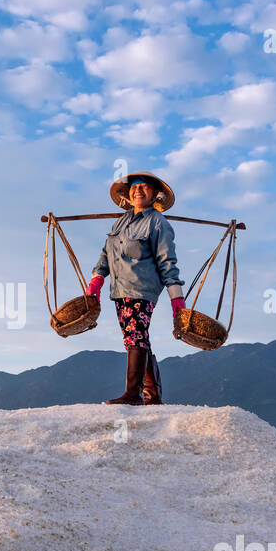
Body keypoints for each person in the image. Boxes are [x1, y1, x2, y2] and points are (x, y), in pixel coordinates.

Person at [86, 173, 186, 405]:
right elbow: (106, 253)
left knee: (135, 336)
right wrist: (96, 282)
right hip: (119, 289)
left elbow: (167, 261)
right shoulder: (120, 222)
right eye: (134, 187)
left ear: (154, 195)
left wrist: (177, 302)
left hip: (142, 289)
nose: (138, 190)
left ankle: (133, 394)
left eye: (144, 187)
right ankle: (153, 395)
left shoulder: (158, 223)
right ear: (128, 194)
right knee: (136, 337)